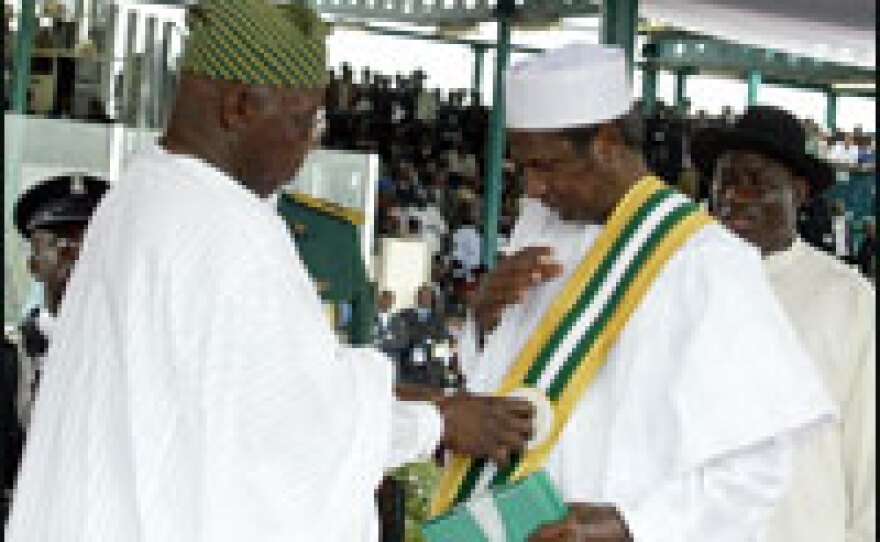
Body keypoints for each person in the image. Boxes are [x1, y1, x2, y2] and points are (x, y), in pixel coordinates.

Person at [6, 2, 534, 540]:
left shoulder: (137, 199)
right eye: (304, 121)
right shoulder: (229, 229)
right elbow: (299, 432)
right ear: (238, 108)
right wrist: (438, 423)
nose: (308, 146)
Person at [445, 44, 834, 541]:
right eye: (526, 168)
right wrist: (484, 323)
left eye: (546, 165)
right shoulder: (541, 229)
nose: (534, 187)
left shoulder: (707, 262)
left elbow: (757, 470)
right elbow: (507, 396)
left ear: (607, 141)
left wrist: (635, 526)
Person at [694, 104, 876, 541]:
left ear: (798, 192)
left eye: (756, 182)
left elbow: (868, 448)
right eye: (726, 180)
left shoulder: (848, 301)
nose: (735, 197)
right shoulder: (681, 285)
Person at [7, 174, 110, 429]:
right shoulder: (11, 362)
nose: (76, 256)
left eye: (90, 244)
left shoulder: (134, 353)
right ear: (34, 265)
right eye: (60, 244)